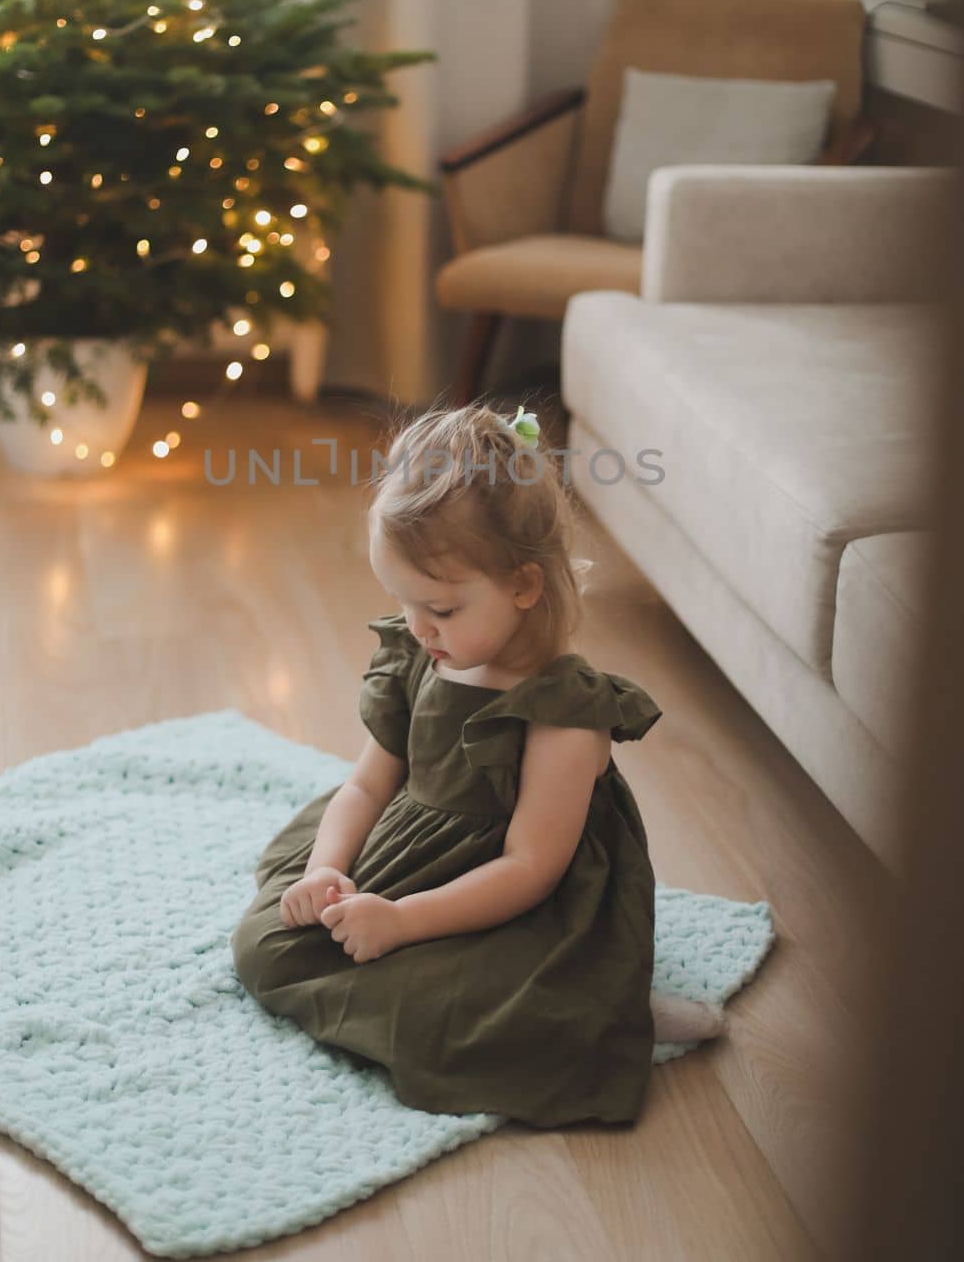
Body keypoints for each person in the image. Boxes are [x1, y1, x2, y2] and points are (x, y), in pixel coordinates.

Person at [231, 398, 725, 1128]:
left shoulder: (560, 714)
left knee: (455, 1020)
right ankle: (544, 1003)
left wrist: (398, 922)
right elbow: (368, 782)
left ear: (523, 586)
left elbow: (530, 869)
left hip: (512, 897)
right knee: (267, 948)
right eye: (402, 601)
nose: (418, 626)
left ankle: (604, 1006)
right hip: (411, 849)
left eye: (441, 608)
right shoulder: (417, 653)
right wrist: (324, 871)